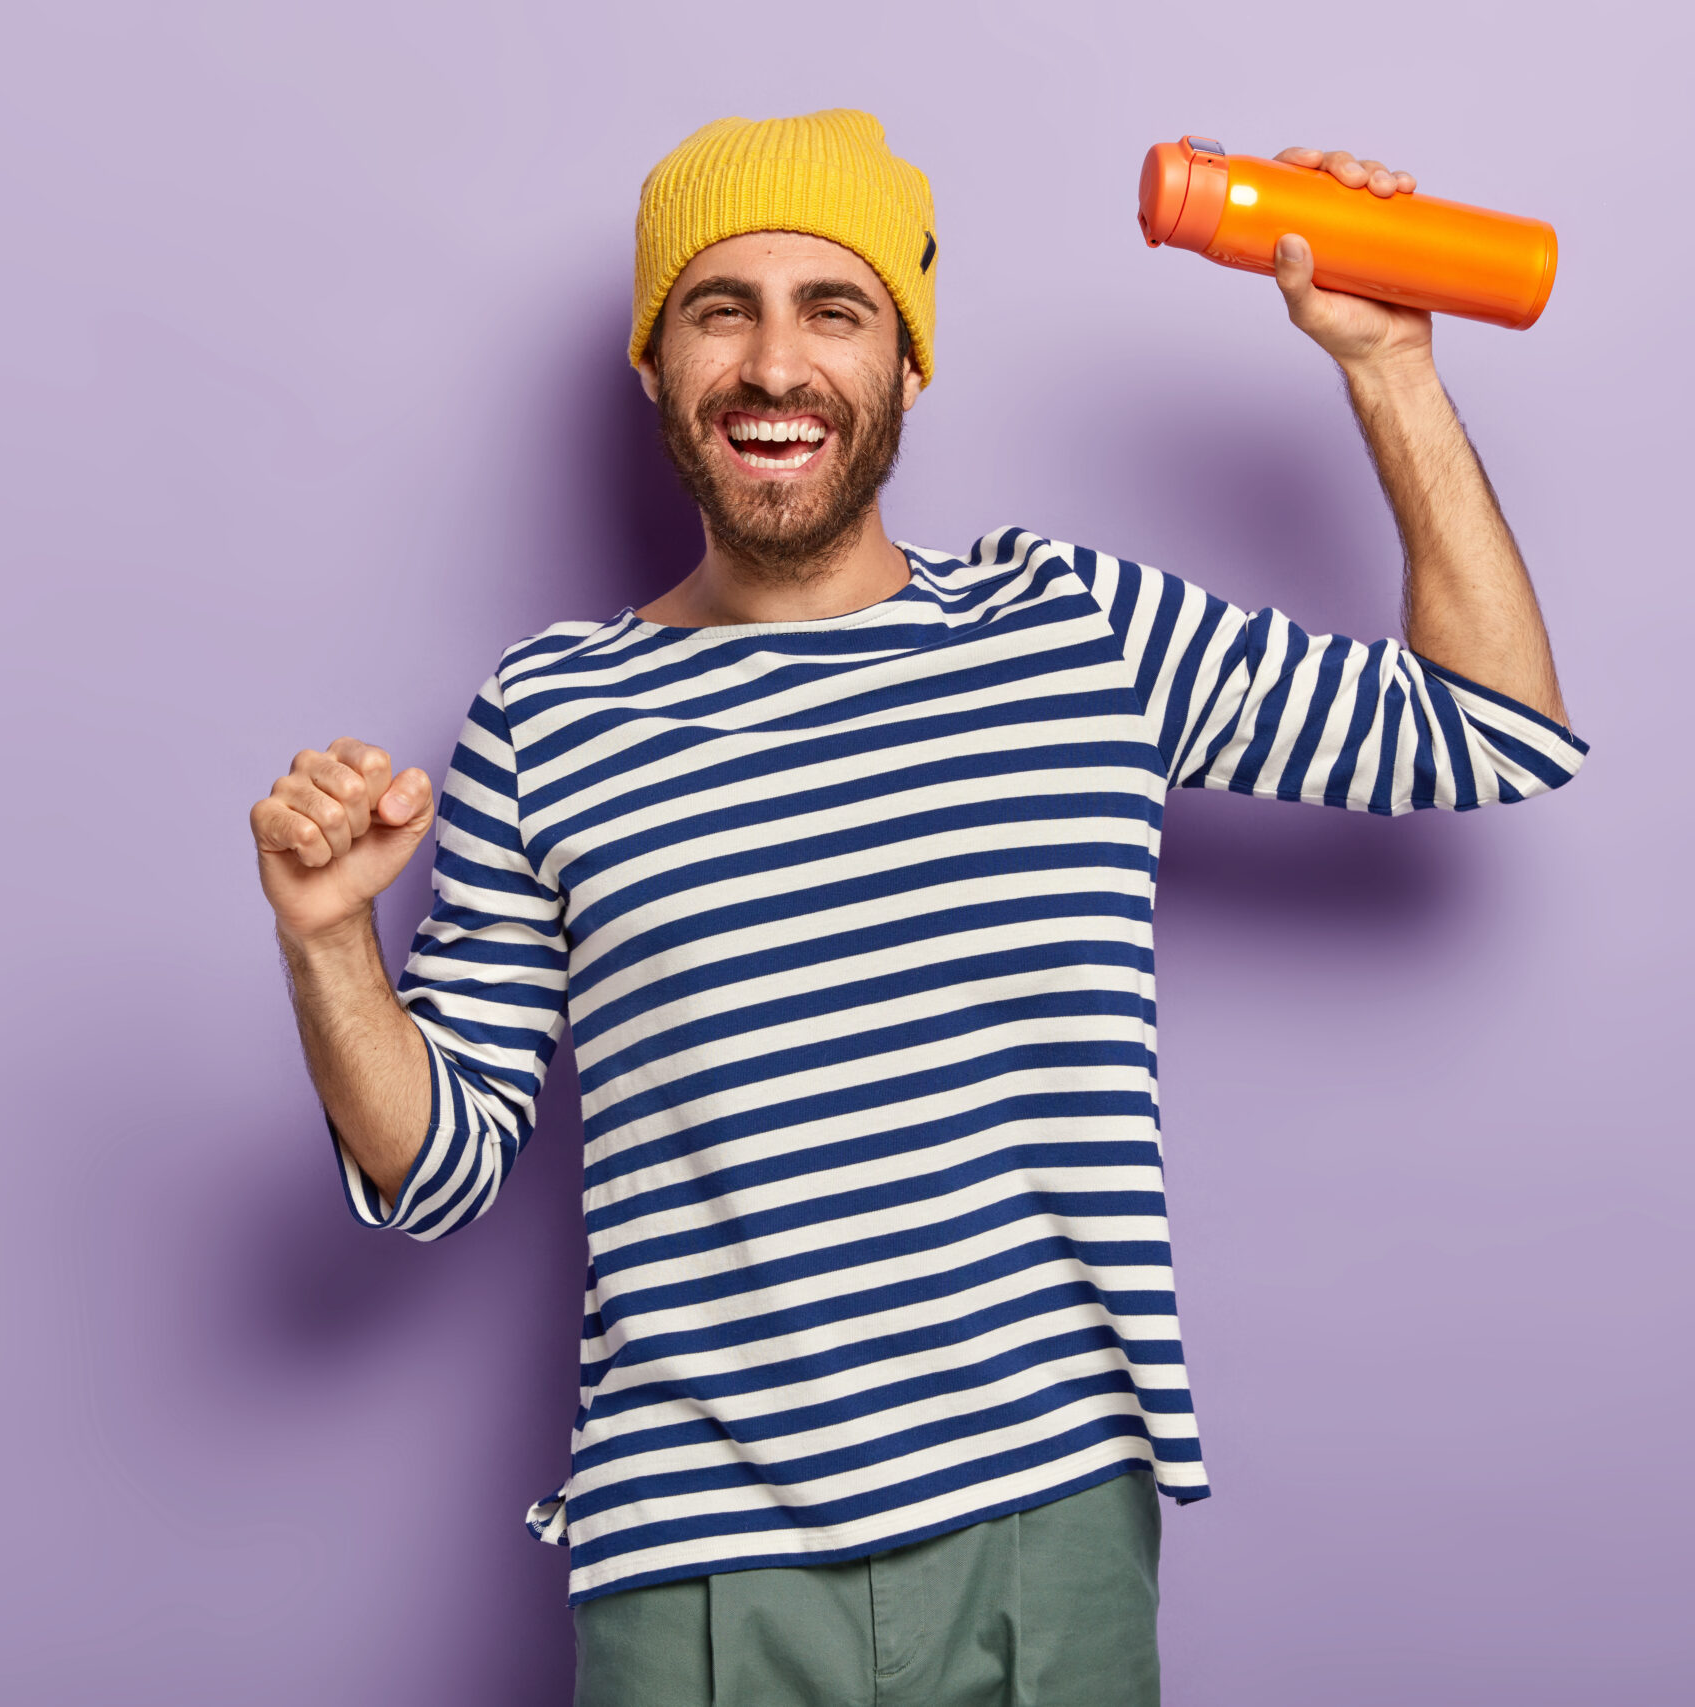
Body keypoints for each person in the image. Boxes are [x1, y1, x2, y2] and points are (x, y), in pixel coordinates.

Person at [245, 109, 1582, 1707]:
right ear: (655, 367)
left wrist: (1389, 368)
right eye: (718, 307)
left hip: (1050, 1528)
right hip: (695, 1567)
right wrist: (329, 944)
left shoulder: (1072, 627)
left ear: (907, 363)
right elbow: (439, 1174)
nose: (773, 362)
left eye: (837, 307)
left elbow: (1493, 727)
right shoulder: (548, 717)